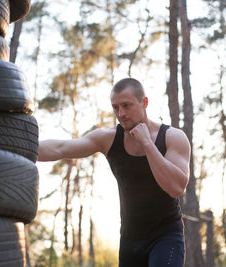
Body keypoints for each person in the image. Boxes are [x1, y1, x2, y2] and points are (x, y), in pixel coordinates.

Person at [37, 78, 190, 267]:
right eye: (115, 107)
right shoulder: (108, 138)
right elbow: (61, 148)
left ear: (144, 103)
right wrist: (16, 146)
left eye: (126, 105)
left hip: (166, 237)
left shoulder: (172, 137)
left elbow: (176, 187)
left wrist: (147, 143)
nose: (121, 113)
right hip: (130, 238)